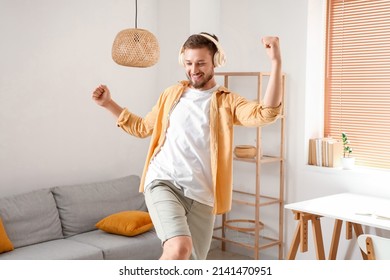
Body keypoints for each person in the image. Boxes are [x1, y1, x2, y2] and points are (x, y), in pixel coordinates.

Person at [92, 32, 283, 260]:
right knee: (178, 248)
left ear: (216, 62)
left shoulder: (227, 101)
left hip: (202, 197)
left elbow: (266, 114)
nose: (194, 70)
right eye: (189, 63)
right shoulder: (172, 95)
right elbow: (142, 127)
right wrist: (108, 104)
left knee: (191, 263)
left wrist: (276, 62)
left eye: (201, 63)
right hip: (164, 181)